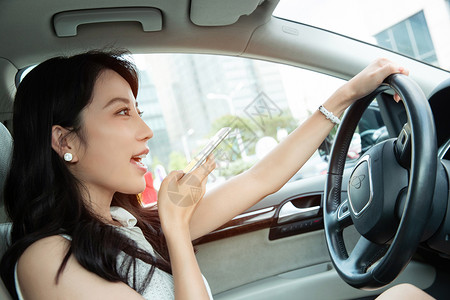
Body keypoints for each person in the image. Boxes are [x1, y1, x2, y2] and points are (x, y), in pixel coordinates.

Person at [0, 50, 432, 299]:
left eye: (140, 111)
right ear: (65, 142)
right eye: (122, 112)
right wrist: (175, 228)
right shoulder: (46, 259)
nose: (146, 130)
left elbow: (260, 179)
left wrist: (343, 97)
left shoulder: (126, 226)